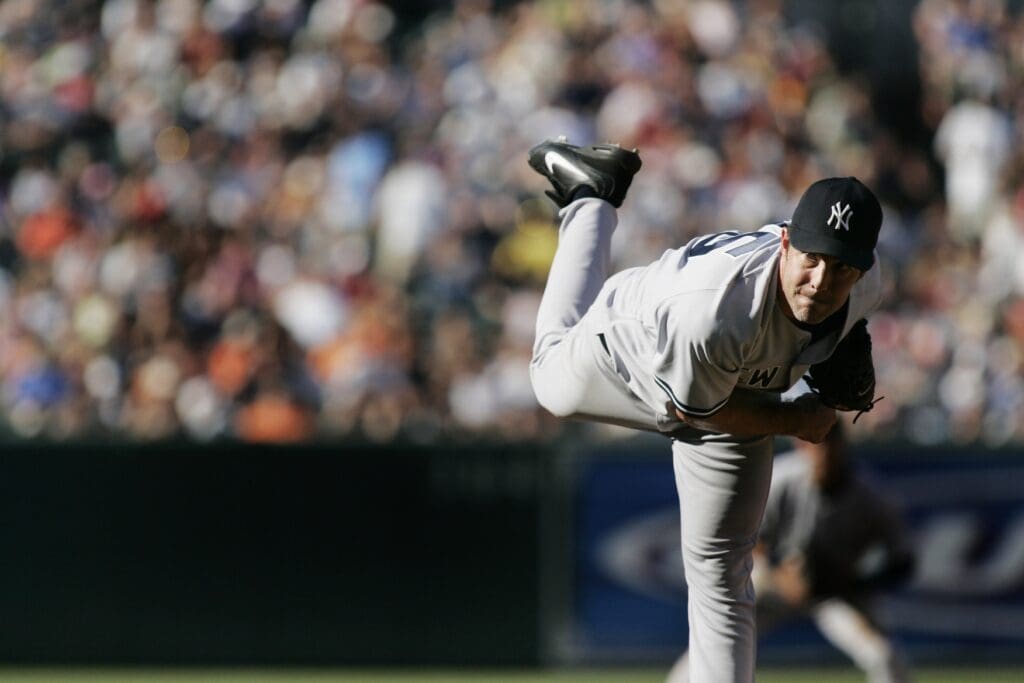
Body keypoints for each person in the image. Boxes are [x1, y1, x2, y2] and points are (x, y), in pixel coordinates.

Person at [527, 137, 885, 683]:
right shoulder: (712, 311)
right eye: (812, 259)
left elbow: (832, 328)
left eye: (841, 268)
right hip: (640, 344)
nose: (821, 280)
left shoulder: (867, 287)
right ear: (786, 243)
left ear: (863, 269)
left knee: (722, 571)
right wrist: (795, 419)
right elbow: (695, 414)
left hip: (737, 381)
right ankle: (591, 197)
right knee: (551, 383)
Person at [667, 423, 916, 683]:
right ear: (802, 446)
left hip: (836, 593)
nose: (825, 453)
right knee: (712, 644)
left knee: (885, 655)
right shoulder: (782, 478)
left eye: (832, 445)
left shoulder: (871, 494)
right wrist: (779, 572)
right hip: (774, 586)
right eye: (818, 445)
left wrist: (856, 581)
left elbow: (903, 561)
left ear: (844, 447)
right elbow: (745, 538)